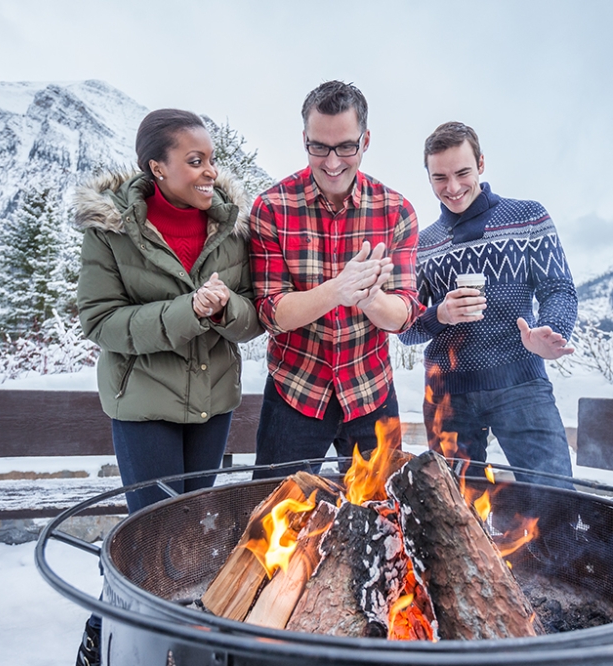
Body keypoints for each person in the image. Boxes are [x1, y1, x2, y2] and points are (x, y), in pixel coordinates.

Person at [72, 108, 262, 665]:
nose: (209, 171)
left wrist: (225, 310)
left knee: (194, 532)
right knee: (152, 535)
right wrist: (187, 311)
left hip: (212, 405)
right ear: (157, 167)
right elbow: (100, 321)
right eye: (194, 161)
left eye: (211, 160)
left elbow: (255, 315)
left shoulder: (232, 227)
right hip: (144, 407)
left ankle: (182, 647)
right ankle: (105, 634)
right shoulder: (110, 230)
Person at [249, 81, 422, 478]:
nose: (331, 162)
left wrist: (370, 299)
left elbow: (404, 315)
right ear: (304, 139)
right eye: (319, 147)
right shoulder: (272, 208)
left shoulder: (396, 211)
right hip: (295, 392)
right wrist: (336, 290)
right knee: (273, 509)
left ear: (366, 141)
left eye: (345, 147)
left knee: (384, 510)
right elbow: (271, 313)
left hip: (371, 391)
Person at [399, 121, 577, 489]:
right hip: (447, 397)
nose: (452, 188)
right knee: (454, 511)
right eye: (440, 178)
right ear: (428, 177)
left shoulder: (528, 217)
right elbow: (406, 329)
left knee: (556, 498)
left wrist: (551, 332)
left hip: (522, 384)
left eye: (462, 173)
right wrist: (440, 314)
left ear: (481, 163)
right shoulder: (422, 244)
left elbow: (558, 288)